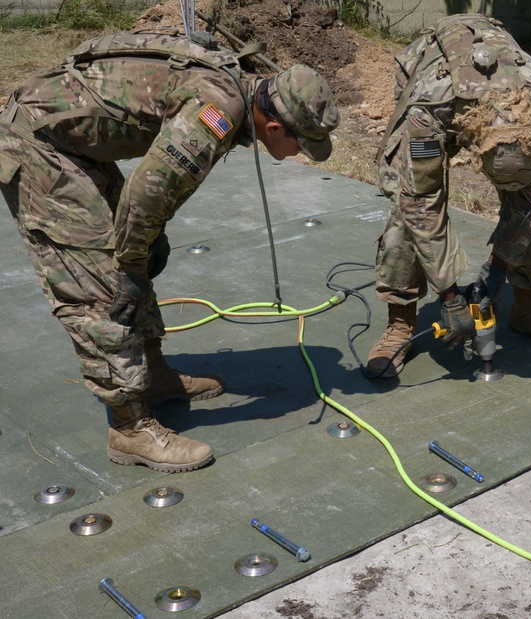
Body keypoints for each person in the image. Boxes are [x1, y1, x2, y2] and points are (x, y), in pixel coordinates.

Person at [0, 32, 339, 473]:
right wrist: (133, 263)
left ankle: (153, 373)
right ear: (274, 127)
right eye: (301, 145)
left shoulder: (238, 87)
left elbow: (155, 192)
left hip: (71, 142)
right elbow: (146, 195)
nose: (299, 154)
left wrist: (146, 241)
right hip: (37, 145)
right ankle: (130, 428)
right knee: (103, 285)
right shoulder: (216, 113)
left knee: (132, 251)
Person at [367, 13, 531, 378]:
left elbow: (529, 203)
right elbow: (422, 204)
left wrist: (495, 274)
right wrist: (449, 296)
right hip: (435, 81)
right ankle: (400, 322)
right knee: (407, 211)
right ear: (477, 155)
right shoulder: (429, 110)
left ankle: (527, 307)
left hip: (509, 94)